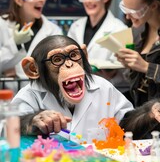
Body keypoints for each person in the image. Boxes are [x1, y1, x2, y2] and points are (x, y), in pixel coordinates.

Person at [12, 35, 160, 140]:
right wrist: (32, 121)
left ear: (84, 56)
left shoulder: (102, 87)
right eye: (57, 59)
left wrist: (148, 113)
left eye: (74, 55)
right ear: (34, 68)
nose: (69, 64)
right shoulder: (30, 95)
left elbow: (124, 127)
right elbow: (10, 129)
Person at [67, 0, 129, 94]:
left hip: (106, 91)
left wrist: (112, 73)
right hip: (76, 88)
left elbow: (125, 74)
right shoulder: (76, 27)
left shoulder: (119, 29)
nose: (88, 0)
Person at [1, 0, 62, 89]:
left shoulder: (53, 30)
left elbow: (59, 66)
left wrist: (10, 69)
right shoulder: (2, 25)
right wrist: (15, 43)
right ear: (19, 1)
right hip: (6, 97)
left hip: (41, 97)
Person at [115, 0, 160, 107]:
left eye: (134, 12)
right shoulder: (138, 33)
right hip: (141, 111)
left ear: (153, 5)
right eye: (125, 9)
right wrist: (129, 65)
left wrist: (147, 67)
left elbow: (146, 68)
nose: (127, 17)